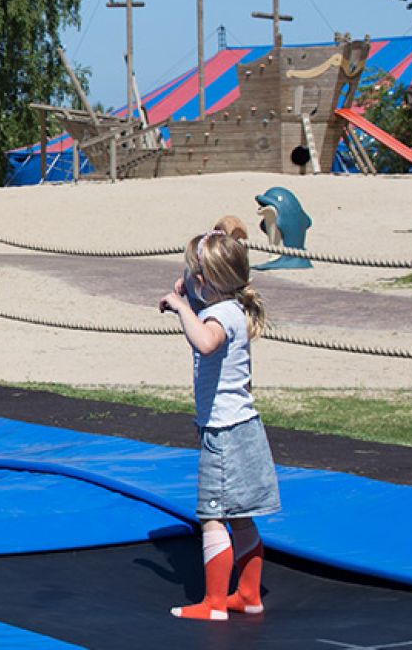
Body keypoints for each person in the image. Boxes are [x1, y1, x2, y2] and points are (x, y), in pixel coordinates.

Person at [158, 224, 279, 621]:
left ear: (202, 281)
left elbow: (205, 343)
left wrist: (181, 308)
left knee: (212, 516)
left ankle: (213, 603)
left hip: (225, 434)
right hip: (244, 428)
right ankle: (248, 595)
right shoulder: (231, 308)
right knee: (240, 515)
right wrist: (186, 296)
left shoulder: (220, 316)